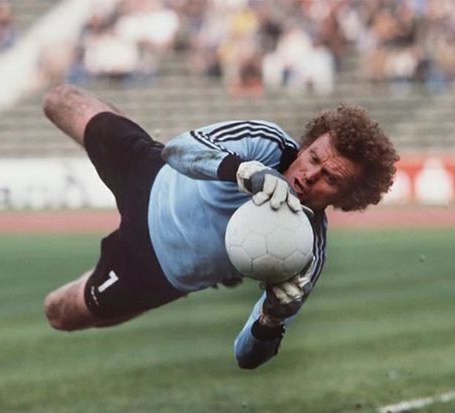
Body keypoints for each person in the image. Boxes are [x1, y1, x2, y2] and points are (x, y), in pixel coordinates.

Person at [42, 83, 399, 369]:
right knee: (57, 100)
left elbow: (247, 357)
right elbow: (177, 149)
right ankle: (126, 127)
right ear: (305, 145)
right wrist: (244, 171)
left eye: (331, 179)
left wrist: (272, 319)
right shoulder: (268, 142)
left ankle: (148, 296)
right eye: (313, 157)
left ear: (347, 198)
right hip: (151, 173)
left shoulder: (307, 252)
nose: (309, 175)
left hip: (152, 269)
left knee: (58, 314)